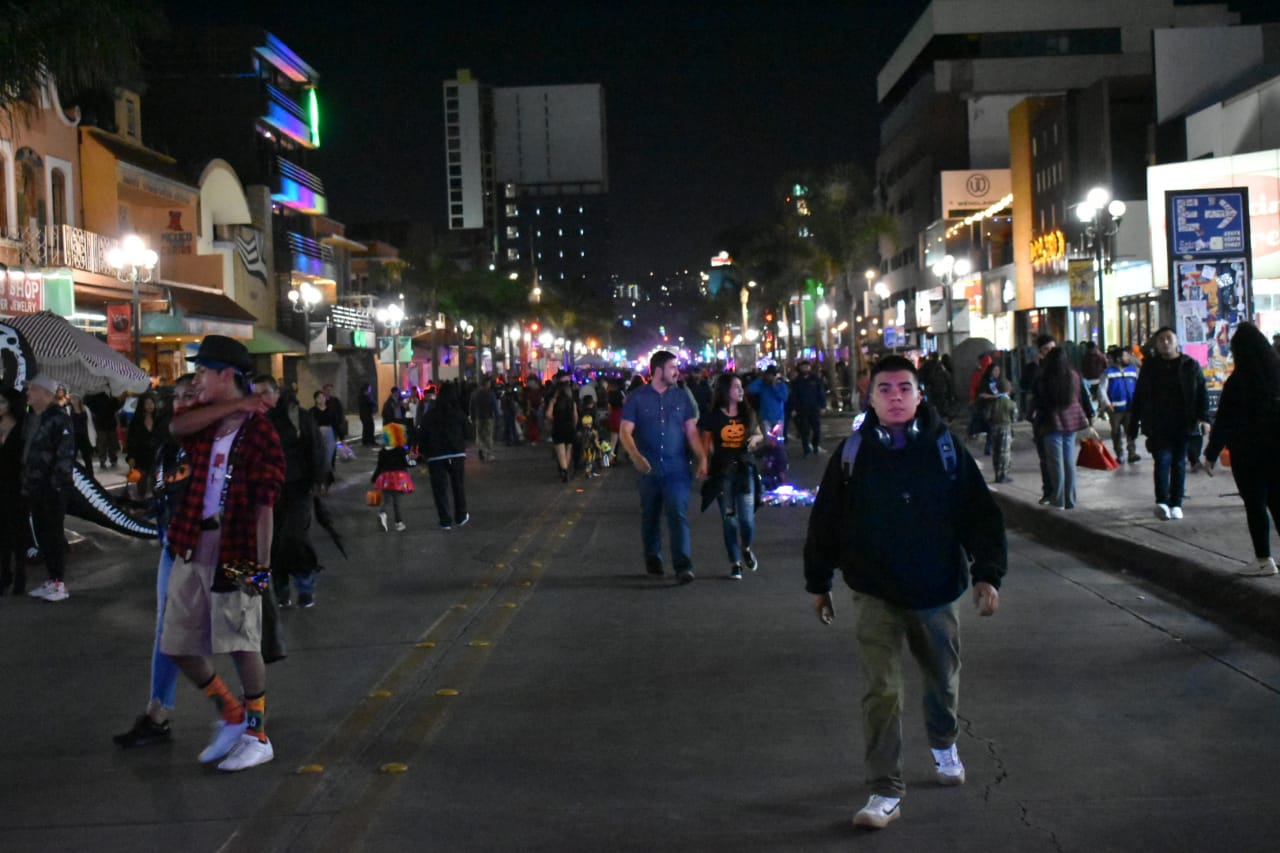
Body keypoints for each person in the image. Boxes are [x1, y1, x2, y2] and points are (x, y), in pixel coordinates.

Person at [803, 354, 1006, 831]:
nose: (895, 397)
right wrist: (820, 582)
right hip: (874, 590)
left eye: (904, 388)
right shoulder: (852, 455)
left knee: (941, 675)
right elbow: (825, 521)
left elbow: (979, 514)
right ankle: (884, 790)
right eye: (885, 389)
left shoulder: (945, 450)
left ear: (920, 395)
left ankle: (943, 740)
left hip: (936, 590)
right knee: (881, 691)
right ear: (869, 397)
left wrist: (988, 573)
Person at [161, 335, 284, 772]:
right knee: (176, 642)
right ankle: (230, 714)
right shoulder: (210, 421)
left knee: (240, 641)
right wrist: (235, 406)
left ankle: (257, 732)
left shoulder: (261, 431)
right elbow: (177, 427)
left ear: (225, 375)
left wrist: (261, 566)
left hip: (236, 546)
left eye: (202, 373)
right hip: (191, 541)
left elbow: (264, 503)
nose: (196, 381)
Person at [113, 375, 199, 748]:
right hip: (172, 548)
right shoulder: (169, 446)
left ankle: (247, 717)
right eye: (176, 396)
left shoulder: (214, 443)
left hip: (208, 551)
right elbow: (166, 496)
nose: (180, 402)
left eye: (190, 396)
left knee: (234, 635)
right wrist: (142, 509)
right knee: (168, 631)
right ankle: (157, 711)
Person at [618, 351, 708, 583]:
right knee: (650, 515)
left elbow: (691, 432)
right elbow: (625, 431)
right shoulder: (637, 398)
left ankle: (683, 565)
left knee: (678, 513)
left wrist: (702, 457)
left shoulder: (681, 397)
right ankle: (653, 559)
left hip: (676, 467)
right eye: (672, 367)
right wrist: (635, 455)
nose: (676, 372)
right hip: (648, 469)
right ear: (658, 370)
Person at [1204, 323, 1280, 576]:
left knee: (1255, 504)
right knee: (1278, 502)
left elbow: (1224, 420)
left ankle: (1263, 559)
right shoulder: (1277, 374)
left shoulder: (1238, 382)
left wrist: (1211, 454)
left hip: (1248, 452)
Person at [256, 376, 325, 609]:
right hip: (266, 490)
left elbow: (315, 446)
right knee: (272, 542)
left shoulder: (298, 417)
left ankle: (305, 587)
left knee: (295, 538)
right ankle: (281, 589)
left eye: (265, 392)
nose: (261, 398)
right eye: (256, 393)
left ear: (277, 393)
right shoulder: (254, 421)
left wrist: (318, 479)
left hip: (297, 487)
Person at [1129, 327, 1209, 521]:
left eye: (1169, 339)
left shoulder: (1190, 365)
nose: (1165, 343)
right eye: (1161, 340)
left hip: (1183, 423)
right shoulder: (1150, 367)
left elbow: (1201, 393)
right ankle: (1162, 502)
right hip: (1158, 424)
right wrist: (1134, 424)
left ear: (1176, 341)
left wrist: (1205, 418)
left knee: (1178, 463)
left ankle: (1176, 503)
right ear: (1156, 344)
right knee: (1162, 461)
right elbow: (1139, 396)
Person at [698, 373, 764, 579]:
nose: (741, 390)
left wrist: (755, 439)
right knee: (729, 520)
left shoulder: (748, 412)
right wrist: (703, 464)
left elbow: (760, 434)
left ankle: (745, 547)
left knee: (746, 520)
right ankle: (735, 562)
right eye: (737, 387)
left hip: (745, 470)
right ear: (726, 391)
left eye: (741, 387)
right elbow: (705, 443)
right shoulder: (713, 416)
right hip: (723, 472)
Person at [22, 374, 75, 602]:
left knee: (52, 533)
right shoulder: (34, 418)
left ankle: (58, 581)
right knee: (44, 532)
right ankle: (52, 579)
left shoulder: (58, 418)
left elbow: (65, 454)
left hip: (51, 488)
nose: (28, 393)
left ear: (46, 393)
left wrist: (55, 485)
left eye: (32, 389)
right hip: (35, 486)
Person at [1031, 347, 1094, 510]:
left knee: (1055, 463)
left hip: (1051, 423)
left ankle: (1058, 500)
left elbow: (1039, 401)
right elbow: (1080, 397)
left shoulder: (1044, 378)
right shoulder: (1074, 376)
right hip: (1071, 421)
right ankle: (1070, 500)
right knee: (1068, 462)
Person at [420, 382, 470, 530]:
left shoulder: (430, 414)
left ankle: (445, 519)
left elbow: (422, 435)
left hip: (436, 455)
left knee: (439, 489)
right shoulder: (458, 412)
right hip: (456, 453)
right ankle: (460, 516)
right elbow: (468, 432)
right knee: (458, 485)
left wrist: (424, 452)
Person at [1022, 335, 1057, 503]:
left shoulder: (1061, 367)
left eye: (1052, 348)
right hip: (1042, 420)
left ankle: (1061, 491)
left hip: (1059, 420)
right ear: (1040, 352)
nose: (1050, 352)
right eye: (1046, 349)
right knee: (1045, 458)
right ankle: (1049, 491)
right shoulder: (1034, 368)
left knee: (1059, 458)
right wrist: (1036, 366)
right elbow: (1027, 386)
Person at [0, 387, 28, 595]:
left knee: (18, 534)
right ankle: (4, 575)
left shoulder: (23, 427)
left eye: (2, 401)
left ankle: (20, 575)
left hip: (17, 487)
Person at [1097, 346, 1140, 465]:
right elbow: (1101, 390)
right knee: (1116, 432)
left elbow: (1139, 387)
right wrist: (1106, 404)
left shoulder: (1132, 370)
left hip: (1130, 407)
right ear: (1118, 359)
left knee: (1130, 431)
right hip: (1115, 409)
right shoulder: (1108, 373)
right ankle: (1120, 454)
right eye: (1125, 356)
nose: (1128, 358)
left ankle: (1132, 453)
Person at [371, 422, 413, 531]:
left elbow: (379, 467)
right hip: (399, 478)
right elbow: (408, 463)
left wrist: (374, 478)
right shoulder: (401, 450)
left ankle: (383, 513)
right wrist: (413, 460)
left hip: (385, 478)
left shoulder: (382, 452)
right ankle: (398, 522)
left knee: (386, 499)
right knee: (396, 501)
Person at [126, 392, 164, 502]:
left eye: (151, 403)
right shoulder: (136, 420)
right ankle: (141, 500)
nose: (150, 406)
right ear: (142, 405)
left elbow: (163, 436)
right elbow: (131, 440)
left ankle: (155, 502)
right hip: (140, 454)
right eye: (147, 403)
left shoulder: (159, 419)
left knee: (155, 479)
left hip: (155, 454)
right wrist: (131, 456)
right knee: (141, 479)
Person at [791, 359, 827, 456]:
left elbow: (821, 393)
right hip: (802, 409)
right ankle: (806, 448)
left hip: (814, 408)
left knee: (816, 429)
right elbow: (794, 396)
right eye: (803, 367)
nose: (805, 369)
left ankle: (815, 445)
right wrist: (793, 408)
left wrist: (823, 406)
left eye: (807, 367)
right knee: (804, 430)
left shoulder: (815, 379)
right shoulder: (797, 381)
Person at [547, 372, 578, 481]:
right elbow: (575, 415)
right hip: (569, 426)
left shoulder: (554, 399)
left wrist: (553, 420)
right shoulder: (571, 399)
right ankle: (566, 468)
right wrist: (574, 426)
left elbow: (548, 415)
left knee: (560, 450)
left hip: (558, 426)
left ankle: (563, 470)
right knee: (569, 448)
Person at [747, 365, 789, 438]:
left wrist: (775, 387)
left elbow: (784, 398)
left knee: (778, 440)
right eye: (768, 375)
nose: (770, 377)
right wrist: (760, 379)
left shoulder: (781, 385)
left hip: (778, 417)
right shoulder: (763, 385)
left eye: (772, 375)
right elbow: (750, 389)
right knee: (768, 440)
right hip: (765, 417)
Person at [988, 377, 1016, 483]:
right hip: (1006, 428)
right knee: (1004, 452)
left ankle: (997, 474)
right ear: (1009, 390)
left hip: (994, 428)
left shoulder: (993, 402)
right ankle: (1003, 475)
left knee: (996, 451)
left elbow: (988, 416)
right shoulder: (1011, 404)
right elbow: (1014, 418)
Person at [310, 390, 339, 493]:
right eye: (319, 397)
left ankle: (325, 483)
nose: (321, 399)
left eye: (323, 397)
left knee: (327, 460)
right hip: (317, 436)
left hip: (329, 435)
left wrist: (341, 438)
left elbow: (336, 424)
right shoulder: (312, 411)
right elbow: (310, 425)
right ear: (315, 400)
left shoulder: (331, 410)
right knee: (318, 460)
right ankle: (319, 483)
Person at [85, 390, 121, 468]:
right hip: (101, 422)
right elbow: (88, 403)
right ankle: (104, 459)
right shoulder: (95, 394)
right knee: (103, 442)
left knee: (111, 442)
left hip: (109, 422)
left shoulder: (110, 394)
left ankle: (111, 458)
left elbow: (117, 406)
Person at [469, 377, 498, 461]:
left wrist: (472, 416)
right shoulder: (490, 393)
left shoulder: (474, 393)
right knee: (488, 435)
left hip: (478, 417)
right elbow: (494, 406)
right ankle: (489, 454)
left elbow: (471, 406)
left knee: (479, 435)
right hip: (488, 417)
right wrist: (497, 416)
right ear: (487, 383)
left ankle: (481, 449)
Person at [67, 394, 95, 475]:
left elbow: (90, 423)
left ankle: (90, 476)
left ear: (79, 399)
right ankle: (71, 476)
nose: (74, 400)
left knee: (87, 458)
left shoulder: (85, 409)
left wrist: (93, 436)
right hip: (73, 437)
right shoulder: (68, 410)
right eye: (72, 398)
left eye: (76, 398)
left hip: (85, 436)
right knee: (72, 458)